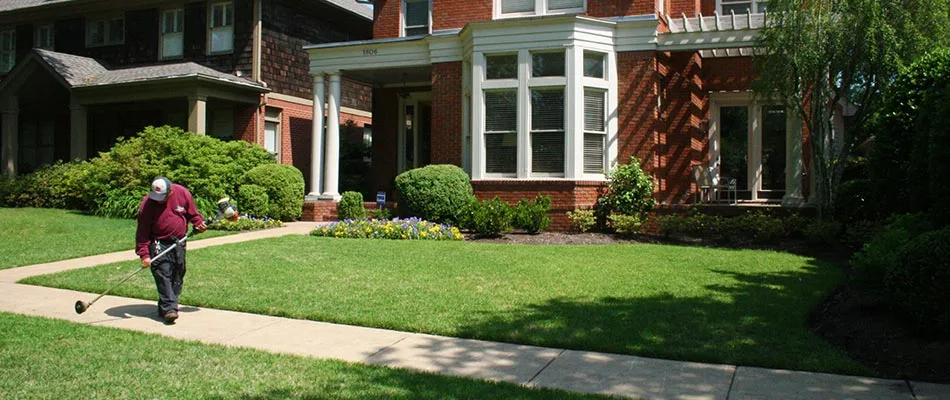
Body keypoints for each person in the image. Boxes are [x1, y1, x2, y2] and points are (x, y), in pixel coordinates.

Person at [135, 177, 206, 324]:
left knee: (178, 274)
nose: (158, 200)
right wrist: (144, 254)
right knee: (163, 272)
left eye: (162, 197)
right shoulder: (147, 204)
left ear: (170, 191)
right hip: (158, 241)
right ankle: (170, 309)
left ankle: (165, 305)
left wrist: (198, 224)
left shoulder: (182, 193)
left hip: (179, 241)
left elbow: (193, 214)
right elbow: (142, 232)